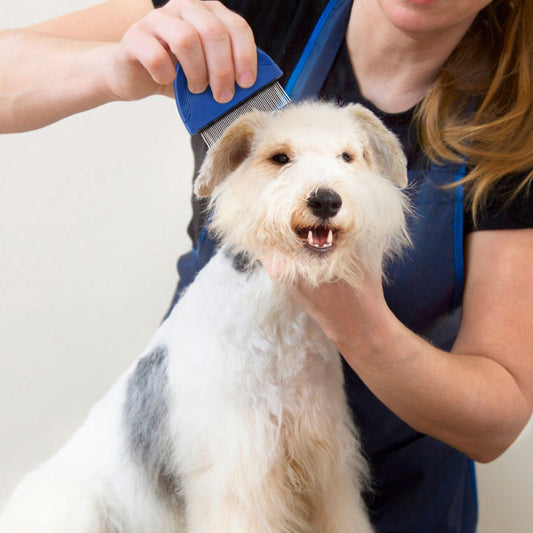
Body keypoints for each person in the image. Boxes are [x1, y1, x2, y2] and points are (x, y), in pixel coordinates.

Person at [2, 0, 533, 531]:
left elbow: (498, 416)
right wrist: (115, 68)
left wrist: (358, 324)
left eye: (349, 160)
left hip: (407, 503)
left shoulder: (516, 125)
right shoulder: (260, 10)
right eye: (280, 159)